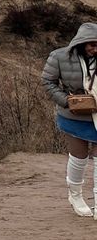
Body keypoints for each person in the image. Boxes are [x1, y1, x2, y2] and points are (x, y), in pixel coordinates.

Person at [42, 22, 97, 217]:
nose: (94, 49)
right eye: (91, 44)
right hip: (74, 115)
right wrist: (66, 101)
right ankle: (75, 195)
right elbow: (48, 81)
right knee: (79, 156)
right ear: (81, 42)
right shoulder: (59, 56)